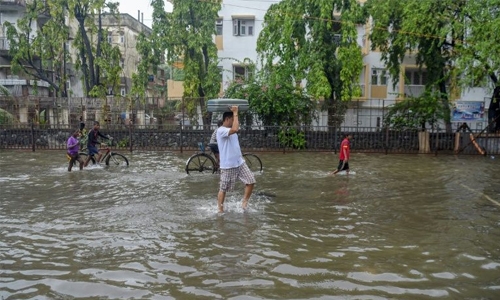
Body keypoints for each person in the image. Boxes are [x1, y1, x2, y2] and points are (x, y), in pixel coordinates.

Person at [216, 106, 256, 213]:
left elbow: (235, 129)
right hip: (228, 166)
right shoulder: (221, 130)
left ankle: (244, 202)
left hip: (240, 163)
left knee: (251, 180)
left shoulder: (231, 130)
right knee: (223, 189)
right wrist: (235, 112)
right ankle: (220, 209)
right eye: (233, 120)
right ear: (228, 119)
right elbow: (235, 129)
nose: (234, 122)